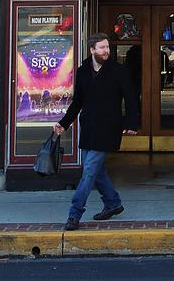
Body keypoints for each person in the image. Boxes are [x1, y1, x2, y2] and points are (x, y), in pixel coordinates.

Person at [54, 32, 138, 230]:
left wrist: (132, 123)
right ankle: (112, 203)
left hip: (108, 128)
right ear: (92, 50)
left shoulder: (119, 71)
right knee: (96, 170)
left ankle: (74, 214)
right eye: (102, 47)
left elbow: (131, 98)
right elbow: (77, 103)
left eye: (107, 47)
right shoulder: (82, 71)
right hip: (89, 128)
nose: (106, 51)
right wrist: (64, 123)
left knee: (89, 170)